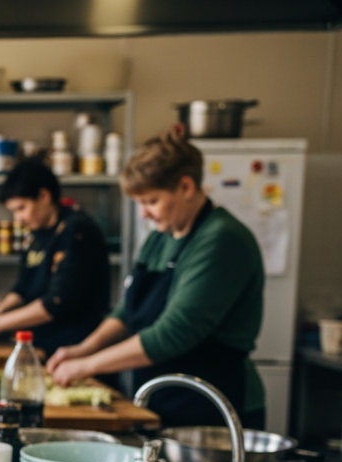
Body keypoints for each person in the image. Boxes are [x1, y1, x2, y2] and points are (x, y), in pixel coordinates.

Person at [46, 126, 265, 429]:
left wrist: (87, 366)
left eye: (150, 201)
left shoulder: (221, 240)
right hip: (165, 397)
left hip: (213, 403)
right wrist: (84, 348)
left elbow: (173, 333)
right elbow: (129, 310)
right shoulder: (162, 235)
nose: (143, 214)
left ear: (186, 187)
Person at [0, 160, 111, 355]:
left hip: (75, 347)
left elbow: (56, 303)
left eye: (21, 208)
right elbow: (22, 288)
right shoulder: (37, 233)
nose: (18, 219)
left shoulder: (76, 231)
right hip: (42, 344)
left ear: (44, 196)